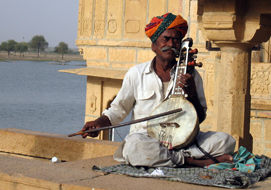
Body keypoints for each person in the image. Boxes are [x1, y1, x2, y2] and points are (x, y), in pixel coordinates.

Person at [81, 13, 236, 167]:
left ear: (181, 46)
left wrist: (192, 94)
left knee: (225, 141)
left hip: (185, 141)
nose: (171, 43)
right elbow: (118, 110)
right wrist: (98, 123)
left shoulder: (191, 75)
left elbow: (200, 118)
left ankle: (171, 158)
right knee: (134, 146)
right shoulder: (137, 74)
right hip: (147, 140)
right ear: (154, 46)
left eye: (176, 40)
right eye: (165, 39)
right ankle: (191, 161)